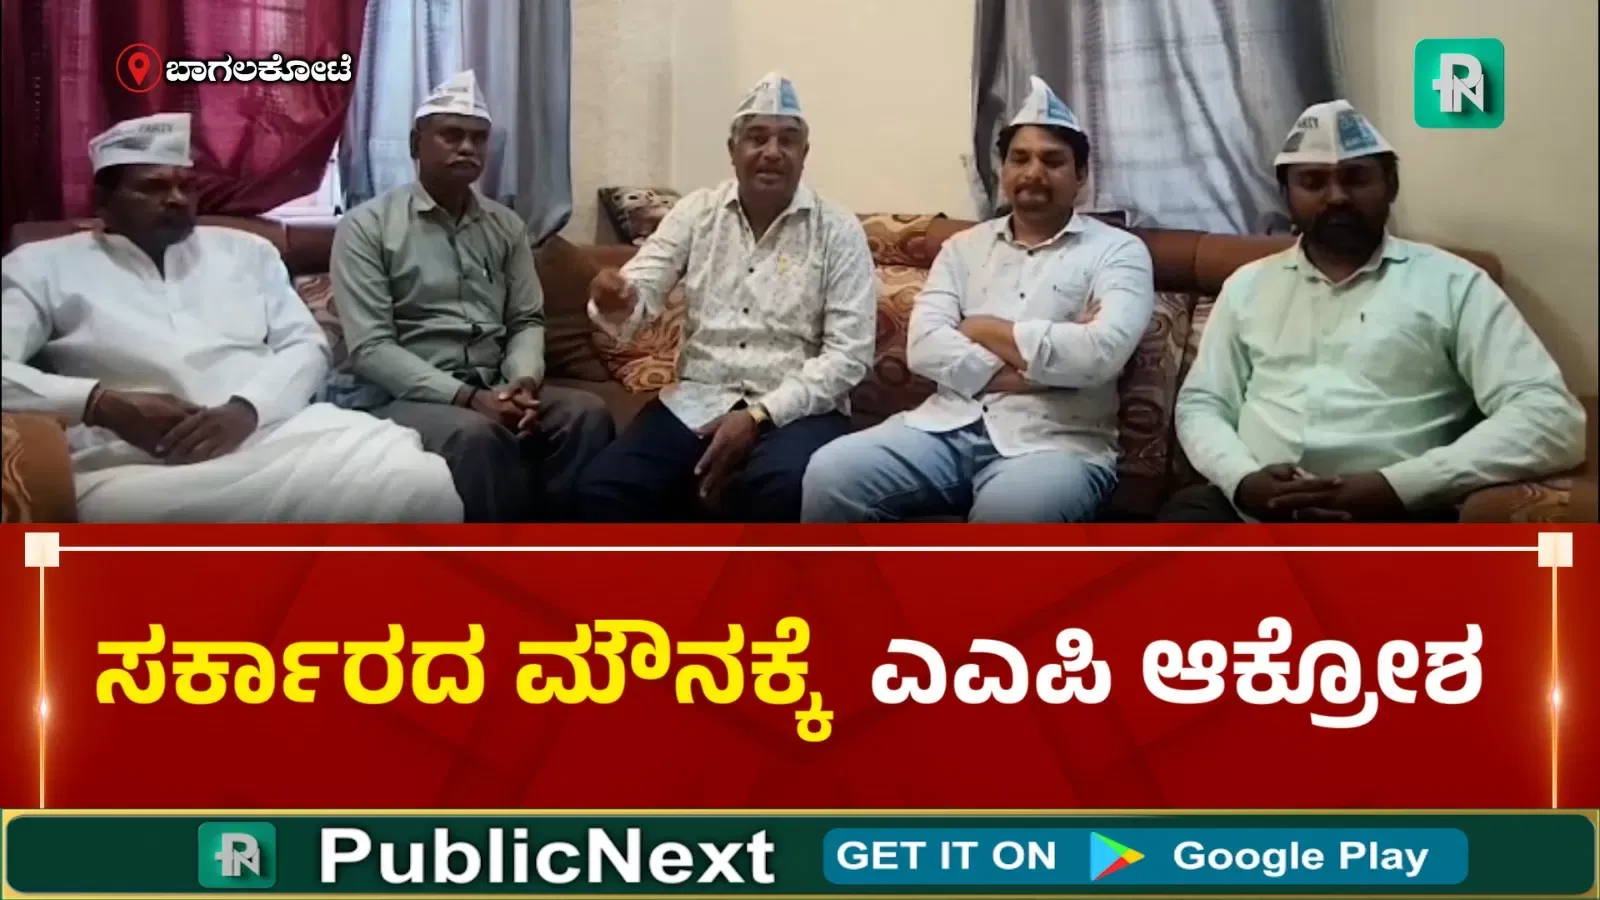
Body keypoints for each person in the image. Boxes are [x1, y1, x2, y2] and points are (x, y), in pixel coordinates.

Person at [0, 113, 462, 522]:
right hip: (137, 458)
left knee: (415, 479)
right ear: (103, 201)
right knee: (125, 514)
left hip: (276, 433)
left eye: (186, 186)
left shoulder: (247, 251)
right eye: (154, 187)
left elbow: (306, 344)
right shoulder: (41, 265)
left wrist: (247, 409)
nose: (176, 198)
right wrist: (101, 404)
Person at [1161, 99, 1585, 523]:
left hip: (1400, 512)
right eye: (1313, 182)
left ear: (1391, 184)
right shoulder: (1247, 286)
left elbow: (1551, 418)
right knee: (1179, 526)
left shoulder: (1455, 283)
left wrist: (1399, 485)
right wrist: (1242, 480)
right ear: (1286, 195)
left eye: (1356, 178)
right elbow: (1204, 402)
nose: (1337, 197)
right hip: (1252, 510)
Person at [801, 77, 1154, 522]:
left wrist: (980, 328)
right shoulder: (962, 248)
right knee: (830, 473)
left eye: (1052, 161)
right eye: (1020, 159)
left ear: (1080, 176)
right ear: (1003, 170)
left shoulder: (1118, 252)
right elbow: (924, 346)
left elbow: (1100, 355)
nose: (1033, 173)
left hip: (1056, 443)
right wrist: (1049, 370)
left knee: (1007, 520)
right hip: (944, 424)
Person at [577, 72, 877, 522]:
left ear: (804, 153)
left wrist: (759, 415)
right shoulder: (697, 213)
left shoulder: (837, 229)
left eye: (787, 140)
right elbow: (637, 291)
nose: (771, 152)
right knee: (603, 489)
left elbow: (849, 356)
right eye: (757, 137)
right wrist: (614, 301)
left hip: (798, 409)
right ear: (733, 150)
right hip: (697, 399)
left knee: (781, 488)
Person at [330, 70, 614, 522]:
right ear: (416, 144)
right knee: (475, 436)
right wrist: (466, 397)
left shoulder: (506, 226)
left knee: (586, 413)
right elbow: (371, 348)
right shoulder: (367, 226)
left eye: (478, 138)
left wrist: (522, 382)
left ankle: (561, 552)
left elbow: (525, 320)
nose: (467, 147)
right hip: (402, 394)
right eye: (452, 135)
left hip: (493, 385)